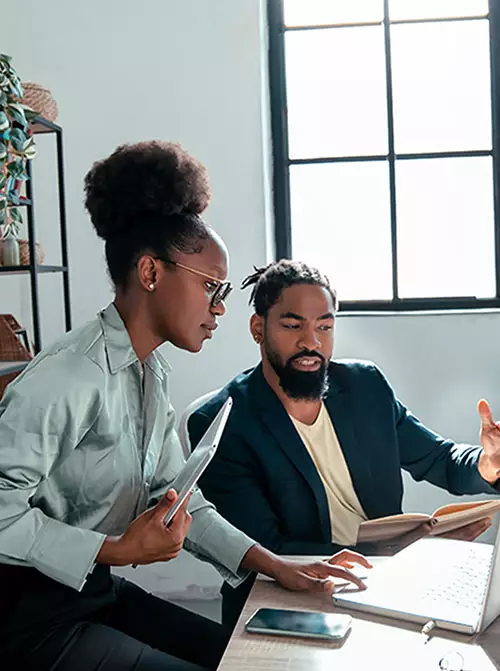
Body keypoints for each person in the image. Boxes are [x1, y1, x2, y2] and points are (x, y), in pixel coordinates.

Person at [0, 147, 369, 671]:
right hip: (24, 619)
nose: (220, 308)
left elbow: (178, 500)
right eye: (211, 287)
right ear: (151, 271)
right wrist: (117, 550)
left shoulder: (150, 371)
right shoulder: (69, 376)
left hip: (91, 590)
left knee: (244, 659)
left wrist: (277, 566)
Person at [188, 259, 500, 627]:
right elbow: (268, 548)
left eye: (325, 326)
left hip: (383, 582)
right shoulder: (223, 422)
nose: (311, 342)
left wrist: (487, 463)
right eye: (292, 326)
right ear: (258, 328)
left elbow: (440, 459)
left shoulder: (365, 386)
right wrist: (401, 551)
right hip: (284, 596)